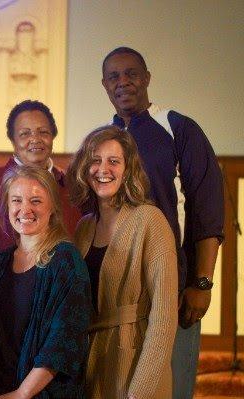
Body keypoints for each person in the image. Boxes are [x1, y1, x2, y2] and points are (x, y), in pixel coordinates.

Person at [100, 47, 224, 398]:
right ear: (104, 85)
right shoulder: (104, 139)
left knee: (171, 387)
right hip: (119, 292)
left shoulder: (178, 128)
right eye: (114, 76)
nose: (123, 82)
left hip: (173, 286)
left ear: (147, 78)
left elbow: (207, 210)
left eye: (131, 74)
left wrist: (202, 283)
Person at [67, 126, 178, 398]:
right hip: (92, 362)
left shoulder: (150, 221)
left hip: (135, 363)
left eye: (113, 161)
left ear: (128, 170)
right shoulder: (84, 227)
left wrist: (139, 391)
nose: (103, 169)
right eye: (95, 160)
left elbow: (164, 318)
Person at [0, 165, 92, 399]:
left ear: (52, 209)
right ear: (7, 207)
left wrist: (22, 394)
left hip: (40, 393)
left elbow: (64, 340)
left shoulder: (65, 260)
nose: (25, 209)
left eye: (36, 201)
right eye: (16, 200)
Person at [0, 100, 82, 257]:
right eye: (25, 133)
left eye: (43, 132)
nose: (35, 139)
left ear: (53, 136)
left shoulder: (70, 185)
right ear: (12, 140)